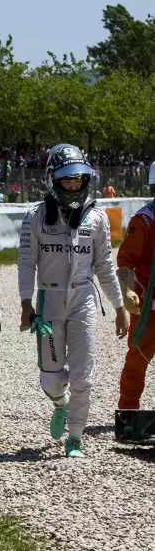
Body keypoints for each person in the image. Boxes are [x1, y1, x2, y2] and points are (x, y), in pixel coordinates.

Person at [18, 144, 128, 458]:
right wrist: (26, 303)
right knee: (51, 379)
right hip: (48, 302)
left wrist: (119, 308)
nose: (73, 183)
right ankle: (60, 405)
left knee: (83, 375)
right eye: (67, 178)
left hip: (84, 299)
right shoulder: (35, 217)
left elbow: (106, 265)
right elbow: (26, 263)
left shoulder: (98, 218)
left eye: (78, 178)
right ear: (54, 178)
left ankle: (75, 437)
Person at [116, 162, 155, 412]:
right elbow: (126, 260)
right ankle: (129, 413)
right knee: (136, 362)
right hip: (147, 308)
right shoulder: (144, 221)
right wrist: (128, 291)